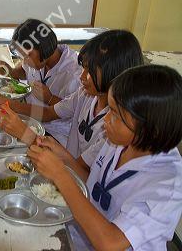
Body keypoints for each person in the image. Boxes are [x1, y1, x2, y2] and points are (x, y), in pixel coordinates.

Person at [28, 65, 182, 250]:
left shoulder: (167, 185)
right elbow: (94, 185)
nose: (106, 119)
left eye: (116, 115)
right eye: (110, 109)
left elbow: (109, 242)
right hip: (79, 236)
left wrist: (60, 175)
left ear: (151, 129)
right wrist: (64, 157)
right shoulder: (120, 142)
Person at [0, 30, 144, 170]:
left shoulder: (114, 126)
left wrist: (26, 134)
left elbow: (77, 170)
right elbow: (48, 113)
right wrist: (6, 103)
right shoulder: (85, 95)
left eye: (89, 71)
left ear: (114, 74)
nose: (82, 76)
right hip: (66, 160)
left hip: (72, 173)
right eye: (83, 68)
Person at [0, 19, 82, 146]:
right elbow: (22, 72)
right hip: (30, 120)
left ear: (43, 47)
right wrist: (10, 71)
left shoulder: (75, 72)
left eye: (28, 55)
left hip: (55, 135)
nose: (25, 60)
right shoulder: (36, 59)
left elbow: (75, 112)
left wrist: (50, 98)